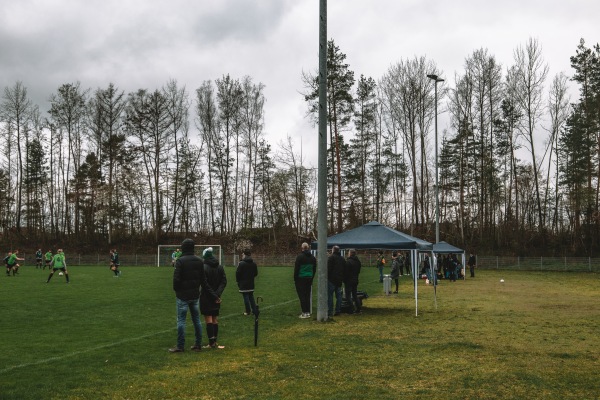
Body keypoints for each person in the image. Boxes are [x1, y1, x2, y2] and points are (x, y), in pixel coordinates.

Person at [169, 239, 221, 353]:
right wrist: (214, 296)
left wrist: (177, 290)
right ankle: (198, 344)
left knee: (181, 321)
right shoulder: (199, 261)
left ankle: (180, 346)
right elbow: (204, 282)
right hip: (195, 296)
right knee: (196, 320)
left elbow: (176, 280)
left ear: (183, 248)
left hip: (182, 296)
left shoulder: (180, 261)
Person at [200, 247, 227, 349]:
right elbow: (224, 282)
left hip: (207, 297)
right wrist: (218, 294)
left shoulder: (203, 267)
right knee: (215, 319)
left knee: (209, 319)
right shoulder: (220, 267)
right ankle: (214, 341)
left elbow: (205, 285)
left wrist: (214, 295)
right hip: (217, 297)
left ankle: (211, 343)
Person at [294, 242, 316, 319]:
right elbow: (314, 269)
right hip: (309, 278)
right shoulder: (313, 257)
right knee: (307, 295)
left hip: (301, 278)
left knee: (302, 296)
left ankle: (304, 312)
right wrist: (312, 277)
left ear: (302, 248)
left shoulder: (299, 257)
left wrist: (295, 279)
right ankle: (308, 312)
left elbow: (296, 269)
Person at [236, 249, 258, 316]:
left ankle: (248, 311)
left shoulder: (241, 263)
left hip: (243, 283)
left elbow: (238, 273)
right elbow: (256, 273)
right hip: (251, 283)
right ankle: (254, 311)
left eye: (242, 254)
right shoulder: (254, 263)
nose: (242, 256)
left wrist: (238, 281)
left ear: (245, 255)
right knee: (251, 296)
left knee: (245, 296)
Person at [327, 246, 345, 318]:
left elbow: (328, 269)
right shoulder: (342, 259)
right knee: (339, 296)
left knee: (330, 296)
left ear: (333, 250)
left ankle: (330, 311)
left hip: (331, 280)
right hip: (339, 280)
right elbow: (344, 269)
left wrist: (327, 277)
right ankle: (338, 310)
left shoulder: (331, 258)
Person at [344, 249, 362, 314]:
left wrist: (344, 279)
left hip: (349, 280)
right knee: (354, 295)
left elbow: (346, 272)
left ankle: (352, 309)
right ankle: (359, 309)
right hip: (355, 279)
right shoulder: (358, 261)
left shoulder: (348, 262)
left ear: (350, 253)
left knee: (348, 296)